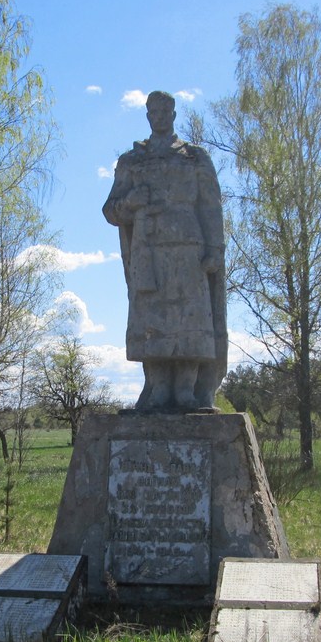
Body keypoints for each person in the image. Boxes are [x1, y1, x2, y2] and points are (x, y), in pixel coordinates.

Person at [102, 90, 227, 411]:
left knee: (190, 318)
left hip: (189, 251)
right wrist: (130, 203)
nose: (158, 115)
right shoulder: (133, 161)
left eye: (163, 110)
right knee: (152, 321)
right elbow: (110, 211)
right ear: (147, 116)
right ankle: (157, 389)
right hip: (149, 254)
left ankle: (187, 390)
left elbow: (211, 207)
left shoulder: (194, 157)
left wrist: (215, 248)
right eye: (152, 111)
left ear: (173, 114)